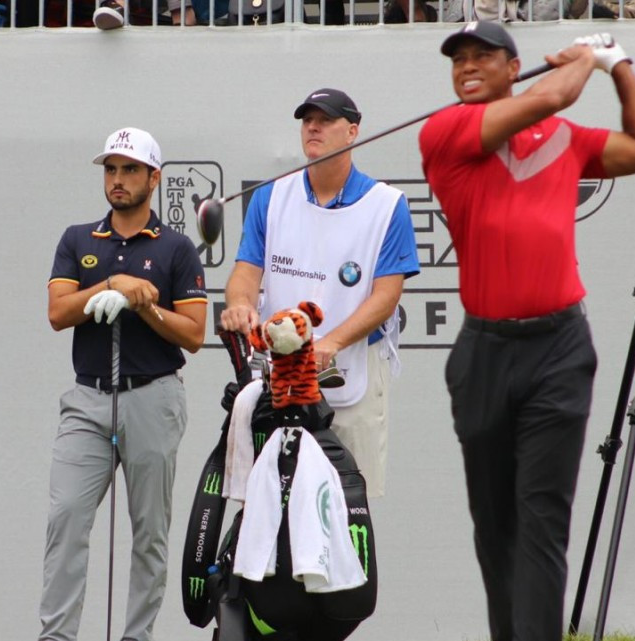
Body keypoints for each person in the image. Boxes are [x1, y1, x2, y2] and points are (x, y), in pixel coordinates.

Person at [418, 24, 635, 641]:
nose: (468, 67)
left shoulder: (566, 140)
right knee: (496, 526)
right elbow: (554, 96)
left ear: (514, 67)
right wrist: (588, 58)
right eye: (460, 60)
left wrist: (621, 66)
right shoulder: (446, 132)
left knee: (541, 522)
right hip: (485, 354)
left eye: (484, 57)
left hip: (559, 349)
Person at [40, 126, 207, 641]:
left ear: (153, 179)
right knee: (66, 519)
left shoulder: (176, 248)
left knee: (149, 534)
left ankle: (136, 637)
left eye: (130, 169)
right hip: (88, 397)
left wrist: (147, 306)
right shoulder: (77, 238)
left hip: (152, 396)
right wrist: (111, 285)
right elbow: (58, 313)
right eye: (111, 170)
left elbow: (194, 334)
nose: (117, 179)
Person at [221, 88, 420, 499]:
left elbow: (387, 296)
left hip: (351, 371)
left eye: (325, 119)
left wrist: (332, 342)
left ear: (352, 131)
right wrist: (240, 305)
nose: (313, 126)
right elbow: (245, 271)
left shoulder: (387, 205)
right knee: (272, 506)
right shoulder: (271, 196)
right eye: (307, 119)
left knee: (347, 508)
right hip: (281, 376)